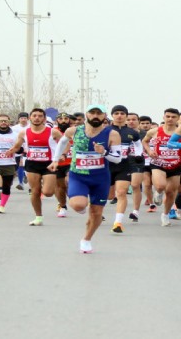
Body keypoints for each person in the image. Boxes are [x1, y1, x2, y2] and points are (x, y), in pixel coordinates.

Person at [49, 104, 122, 253]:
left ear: (104, 116)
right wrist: (56, 159)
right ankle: (82, 206)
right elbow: (62, 142)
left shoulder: (112, 134)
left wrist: (103, 153)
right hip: (78, 175)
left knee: (96, 213)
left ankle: (86, 239)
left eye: (99, 113)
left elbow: (117, 159)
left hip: (100, 178)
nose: (95, 116)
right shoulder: (73, 131)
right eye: (92, 113)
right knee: (78, 205)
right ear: (87, 115)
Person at [6, 108, 62, 226]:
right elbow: (17, 146)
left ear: (44, 119)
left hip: (49, 164)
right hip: (32, 164)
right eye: (34, 116)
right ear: (30, 118)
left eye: (40, 116)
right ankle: (38, 217)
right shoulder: (24, 132)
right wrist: (11, 151)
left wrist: (63, 155)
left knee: (48, 192)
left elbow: (65, 143)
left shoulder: (53, 132)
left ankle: (45, 184)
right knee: (35, 191)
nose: (37, 118)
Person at [143, 108, 181, 226]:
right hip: (158, 163)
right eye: (168, 116)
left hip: (175, 164)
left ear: (177, 118)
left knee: (171, 192)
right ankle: (159, 192)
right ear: (164, 117)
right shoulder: (154, 131)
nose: (170, 119)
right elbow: (145, 141)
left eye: (173, 117)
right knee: (161, 185)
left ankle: (165, 215)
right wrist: (149, 151)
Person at [108, 105, 143, 233]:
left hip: (124, 165)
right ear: (112, 115)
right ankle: (96, 208)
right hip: (107, 165)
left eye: (122, 113)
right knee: (108, 195)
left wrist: (138, 155)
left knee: (121, 192)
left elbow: (138, 144)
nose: (119, 116)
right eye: (116, 113)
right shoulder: (105, 130)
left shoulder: (132, 132)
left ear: (126, 116)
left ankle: (118, 223)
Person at [54, 112, 73, 217]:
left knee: (69, 181)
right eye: (61, 119)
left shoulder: (74, 131)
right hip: (58, 163)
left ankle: (74, 197)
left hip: (72, 162)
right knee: (61, 187)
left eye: (66, 118)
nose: (64, 121)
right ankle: (63, 206)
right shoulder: (54, 132)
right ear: (57, 121)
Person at [11, 112, 30, 190]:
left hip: (28, 149)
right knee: (18, 166)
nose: (23, 120)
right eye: (21, 118)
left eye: (25, 118)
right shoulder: (14, 128)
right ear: (18, 119)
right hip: (18, 149)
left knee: (23, 164)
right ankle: (21, 179)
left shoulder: (30, 127)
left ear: (28, 119)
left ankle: (21, 182)